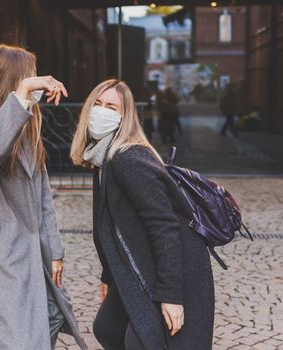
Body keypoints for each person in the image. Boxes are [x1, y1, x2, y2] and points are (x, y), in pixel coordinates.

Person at [0, 45, 86, 350]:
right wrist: (24, 92)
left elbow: (42, 197)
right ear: (12, 82)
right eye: (31, 78)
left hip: (30, 249)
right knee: (14, 336)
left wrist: (54, 249)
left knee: (51, 316)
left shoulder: (26, 129)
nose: (38, 83)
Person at [70, 79, 215, 349]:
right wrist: (109, 276)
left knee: (142, 341)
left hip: (177, 267)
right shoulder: (103, 158)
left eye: (111, 107)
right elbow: (109, 226)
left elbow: (165, 226)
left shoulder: (128, 158)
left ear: (125, 117)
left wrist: (171, 296)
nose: (102, 112)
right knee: (108, 328)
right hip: (140, 264)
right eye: (97, 105)